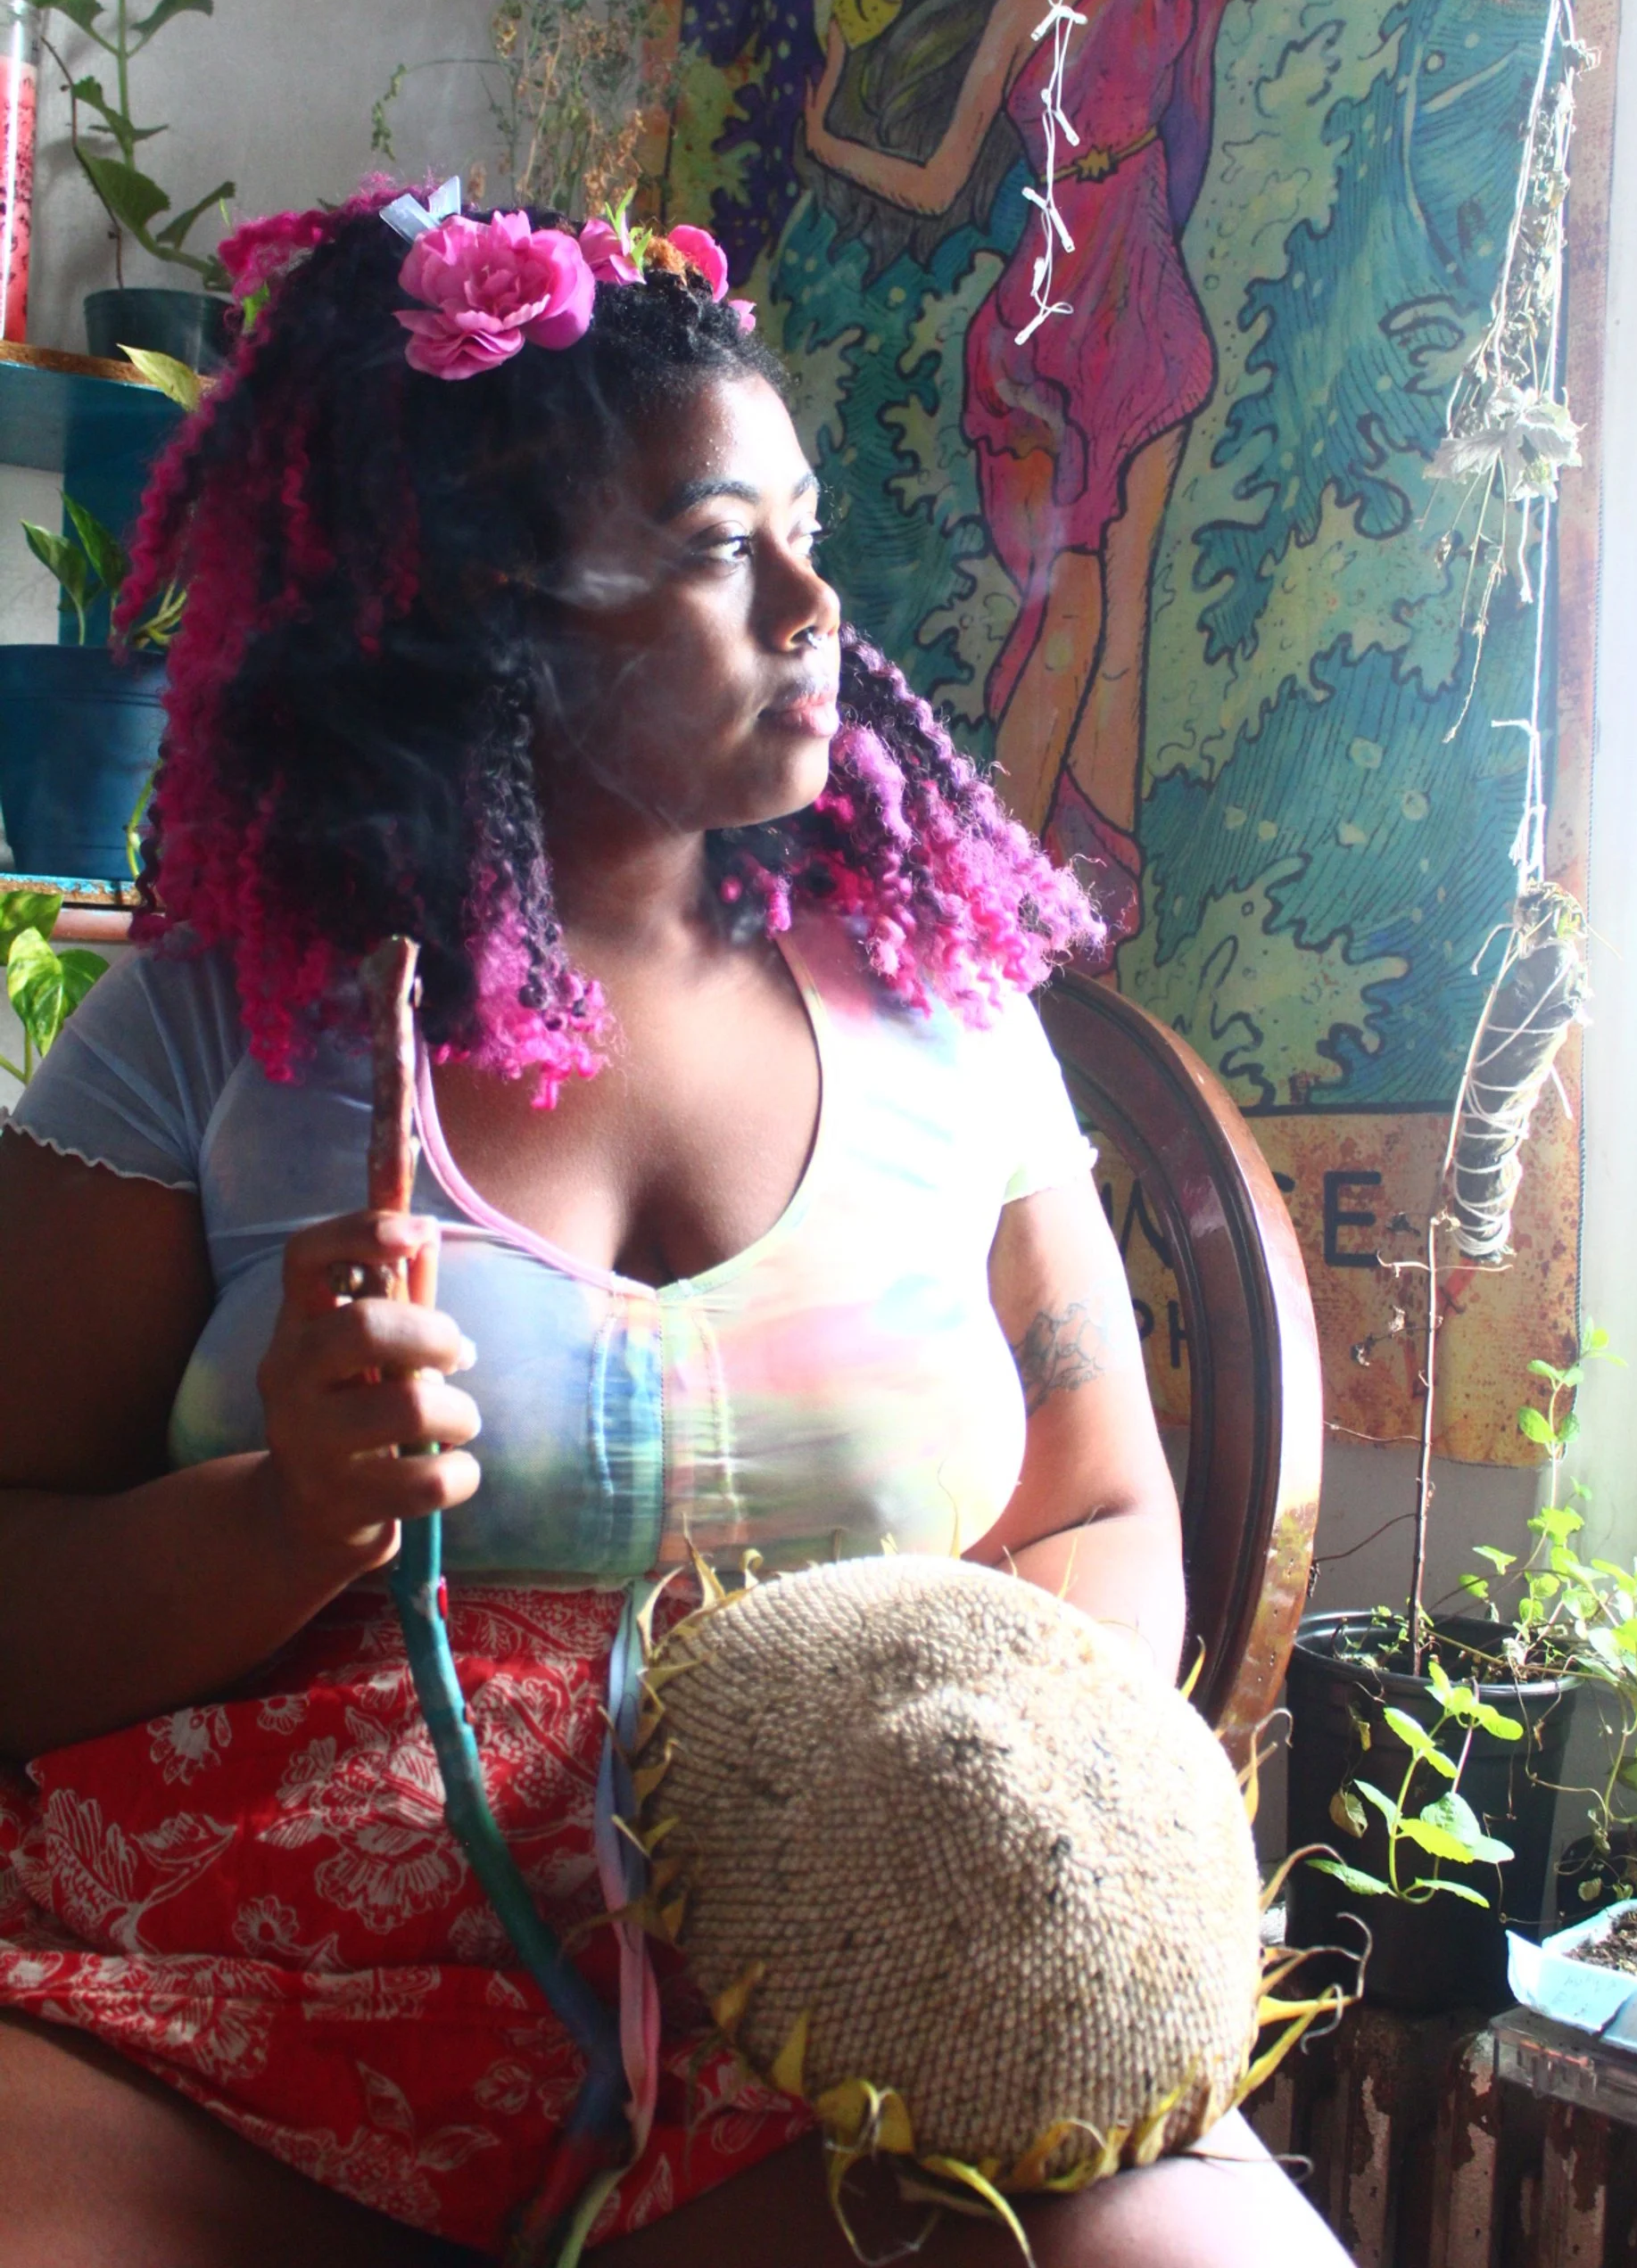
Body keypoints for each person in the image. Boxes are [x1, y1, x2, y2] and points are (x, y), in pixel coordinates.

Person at [0, 194, 1344, 2267]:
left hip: (844, 2020)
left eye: (805, 528)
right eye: (727, 548)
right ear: (481, 612)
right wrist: (288, 1520)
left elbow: (1099, 1504)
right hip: (239, 2026)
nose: (819, 599)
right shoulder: (217, 1029)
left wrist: (950, 1791)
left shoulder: (945, 1018)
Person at [805, 0, 1328, 951]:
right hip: (1047, 316)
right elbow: (936, 184)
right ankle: (999, 904)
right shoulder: (1018, 6)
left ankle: (1097, 908)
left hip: (1144, 295)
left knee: (1121, 616)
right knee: (1070, 613)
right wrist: (827, 128)